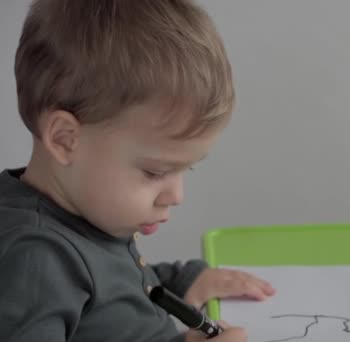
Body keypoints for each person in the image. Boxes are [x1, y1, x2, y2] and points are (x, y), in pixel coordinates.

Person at [0, 1, 275, 341]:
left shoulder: (86, 215)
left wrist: (182, 282)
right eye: (155, 172)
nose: (177, 195)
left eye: (184, 169)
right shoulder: (34, 261)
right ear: (66, 140)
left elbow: (113, 293)